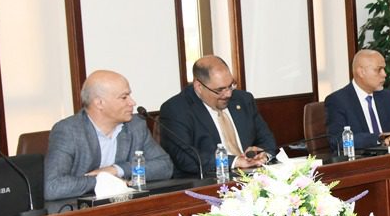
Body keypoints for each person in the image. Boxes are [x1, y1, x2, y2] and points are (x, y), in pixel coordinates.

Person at [45, 70, 172, 199]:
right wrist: (104, 180)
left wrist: (117, 170)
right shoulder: (69, 131)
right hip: (84, 207)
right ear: (99, 103)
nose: (132, 102)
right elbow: (53, 186)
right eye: (124, 97)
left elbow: (165, 166)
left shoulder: (136, 126)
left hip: (127, 204)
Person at [158, 56, 276, 178]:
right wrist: (235, 161)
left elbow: (267, 139)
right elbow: (185, 158)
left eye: (231, 85)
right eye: (220, 90)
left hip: (254, 175)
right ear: (199, 86)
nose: (228, 94)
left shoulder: (243, 99)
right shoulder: (176, 109)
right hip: (210, 180)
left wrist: (263, 154)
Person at [325, 49, 390, 150]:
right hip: (361, 157)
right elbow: (338, 140)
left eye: (384, 69)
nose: (384, 74)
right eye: (379, 69)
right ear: (361, 72)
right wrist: (377, 138)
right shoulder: (338, 101)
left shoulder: (386, 96)